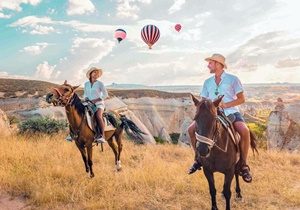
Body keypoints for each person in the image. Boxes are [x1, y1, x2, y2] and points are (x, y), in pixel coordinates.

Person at [187, 53, 252, 183]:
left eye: (210, 63)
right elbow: (204, 101)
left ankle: (243, 164)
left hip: (231, 112)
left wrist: (226, 104)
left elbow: (241, 99)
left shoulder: (233, 79)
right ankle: (198, 159)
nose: (208, 65)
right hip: (212, 115)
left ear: (218, 64)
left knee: (244, 131)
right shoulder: (207, 82)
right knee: (190, 130)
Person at [66, 67, 108, 144]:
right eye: (94, 72)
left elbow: (105, 95)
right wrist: (85, 98)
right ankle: (71, 134)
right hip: (88, 103)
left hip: (99, 104)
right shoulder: (86, 84)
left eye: (97, 73)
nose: (96, 74)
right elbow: (85, 94)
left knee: (98, 115)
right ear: (90, 74)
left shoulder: (100, 84)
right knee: (75, 114)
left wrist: (97, 99)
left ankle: (102, 136)